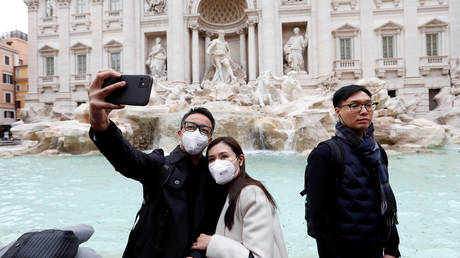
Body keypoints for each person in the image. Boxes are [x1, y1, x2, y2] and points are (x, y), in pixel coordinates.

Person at [87, 69, 226, 258]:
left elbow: (211, 224)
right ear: (180, 134)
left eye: (204, 130)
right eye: (191, 127)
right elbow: (127, 159)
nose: (196, 133)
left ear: (209, 140)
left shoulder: (214, 178)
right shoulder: (160, 164)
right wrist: (99, 121)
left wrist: (196, 256)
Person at [306, 85, 400, 258]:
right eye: (354, 105)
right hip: (344, 251)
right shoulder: (324, 154)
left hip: (377, 249)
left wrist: (393, 249)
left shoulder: (377, 151)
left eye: (368, 105)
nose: (363, 111)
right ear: (338, 111)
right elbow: (319, 216)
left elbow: (385, 201)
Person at [190, 137, 288, 258]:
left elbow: (258, 255)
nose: (217, 163)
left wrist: (212, 243)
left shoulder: (251, 193)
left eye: (224, 156)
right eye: (211, 159)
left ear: (240, 160)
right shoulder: (226, 192)